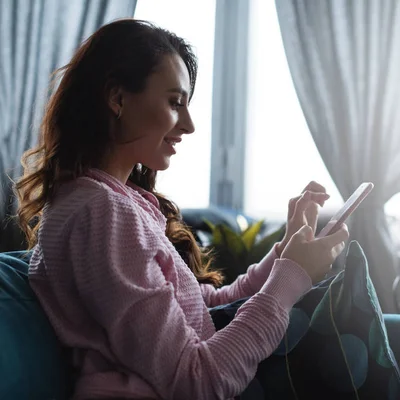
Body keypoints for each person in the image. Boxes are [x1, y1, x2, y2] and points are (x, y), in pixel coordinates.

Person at [15, 19, 349, 400]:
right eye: (175, 102)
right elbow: (196, 381)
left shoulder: (112, 203)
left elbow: (199, 310)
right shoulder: (101, 214)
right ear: (118, 98)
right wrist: (292, 277)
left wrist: (286, 254)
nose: (188, 125)